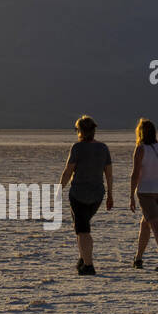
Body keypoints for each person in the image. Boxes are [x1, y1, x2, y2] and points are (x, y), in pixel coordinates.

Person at [59, 115, 113, 275]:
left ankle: (88, 265)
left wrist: (58, 189)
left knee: (83, 230)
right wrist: (110, 195)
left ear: (80, 131)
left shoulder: (77, 148)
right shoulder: (103, 148)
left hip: (78, 195)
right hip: (97, 195)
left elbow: (68, 172)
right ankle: (83, 258)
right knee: (81, 226)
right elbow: (109, 175)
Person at [128, 118, 158, 271]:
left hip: (146, 192)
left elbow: (135, 174)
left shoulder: (141, 149)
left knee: (155, 223)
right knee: (145, 223)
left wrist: (131, 196)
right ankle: (138, 258)